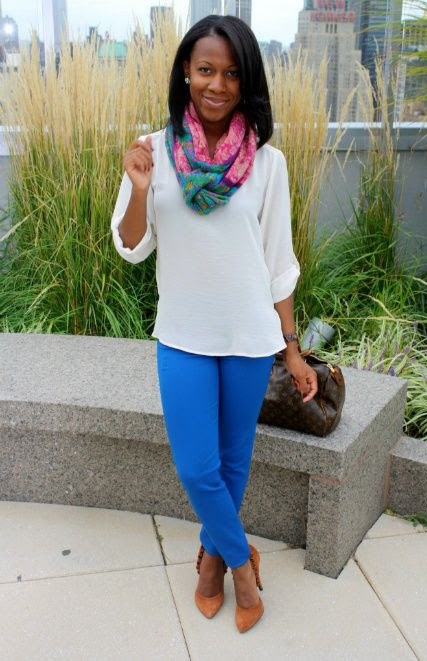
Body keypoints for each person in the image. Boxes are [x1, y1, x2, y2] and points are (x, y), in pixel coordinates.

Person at [111, 14, 318, 633]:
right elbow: (130, 246)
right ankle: (242, 565)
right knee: (197, 468)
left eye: (231, 73)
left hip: (250, 338)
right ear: (186, 71)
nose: (217, 85)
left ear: (246, 80)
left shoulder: (268, 163)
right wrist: (140, 189)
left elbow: (278, 264)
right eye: (206, 69)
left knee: (231, 465)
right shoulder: (153, 151)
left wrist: (292, 349)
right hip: (183, 335)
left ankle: (209, 562)